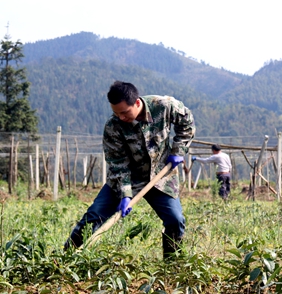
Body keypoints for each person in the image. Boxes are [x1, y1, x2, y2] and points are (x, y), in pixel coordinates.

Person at [64, 81, 196, 259]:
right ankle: (65, 259)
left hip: (160, 176)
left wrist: (178, 150)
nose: (121, 117)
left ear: (137, 103)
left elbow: (186, 122)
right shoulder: (113, 127)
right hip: (127, 178)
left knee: (175, 219)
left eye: (124, 112)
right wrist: (126, 194)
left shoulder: (163, 106)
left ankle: (172, 265)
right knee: (94, 216)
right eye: (116, 113)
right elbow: (118, 163)